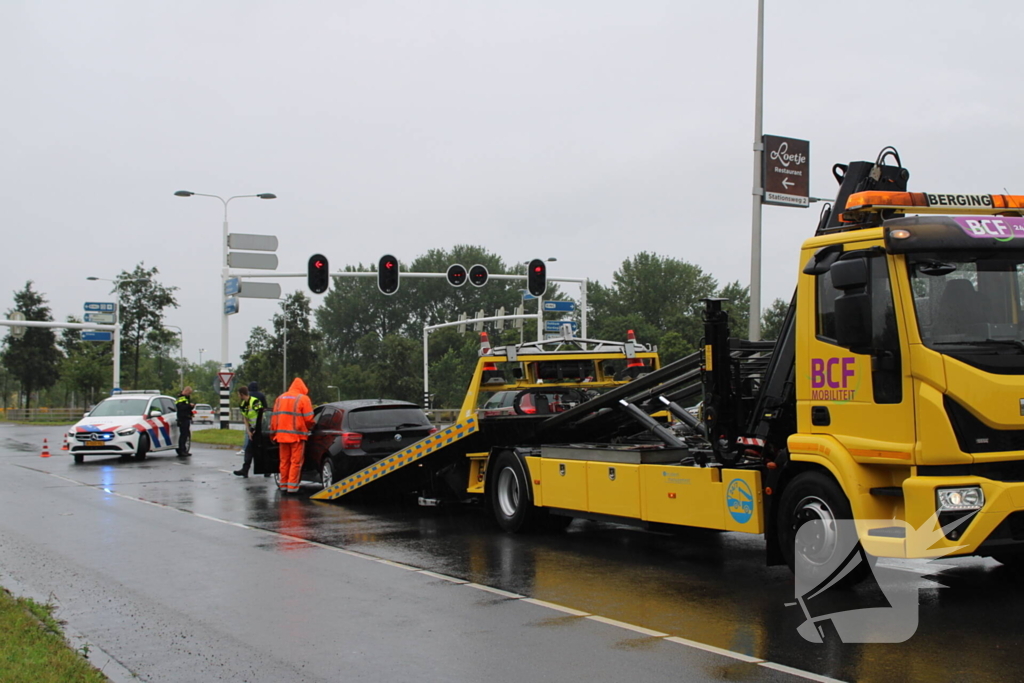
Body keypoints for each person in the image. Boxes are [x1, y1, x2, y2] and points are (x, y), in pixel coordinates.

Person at [269, 377, 315, 493]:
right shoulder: (303, 399)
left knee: (284, 461)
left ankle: (283, 485)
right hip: (297, 437)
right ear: (303, 388)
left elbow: (274, 418)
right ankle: (292, 487)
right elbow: (309, 419)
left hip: (281, 437)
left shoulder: (280, 398)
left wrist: (273, 434)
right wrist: (311, 427)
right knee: (295, 462)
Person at [233, 386, 263, 478]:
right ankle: (245, 470)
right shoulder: (242, 404)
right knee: (249, 450)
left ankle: (266, 470)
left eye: (238, 394)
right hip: (251, 429)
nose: (238, 396)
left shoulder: (255, 401)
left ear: (242, 394)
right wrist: (248, 431)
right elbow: (245, 418)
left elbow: (261, 415)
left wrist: (257, 430)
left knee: (260, 450)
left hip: (260, 428)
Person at [175, 386, 195, 457]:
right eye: (189, 393)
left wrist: (191, 407)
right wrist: (189, 406)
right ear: (186, 391)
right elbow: (181, 408)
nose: (189, 395)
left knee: (185, 435)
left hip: (186, 418)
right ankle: (182, 450)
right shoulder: (181, 398)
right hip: (183, 419)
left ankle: (184, 450)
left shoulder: (185, 398)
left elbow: (186, 407)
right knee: (183, 435)